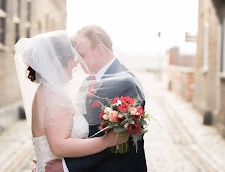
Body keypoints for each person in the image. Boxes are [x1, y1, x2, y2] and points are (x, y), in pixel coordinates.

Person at [14, 31, 128, 172]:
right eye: (72, 57)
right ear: (57, 61)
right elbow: (59, 146)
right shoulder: (54, 96)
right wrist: (106, 141)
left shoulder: (45, 90)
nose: (76, 62)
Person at [47, 25, 147, 172]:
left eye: (82, 54)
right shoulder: (88, 82)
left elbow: (115, 141)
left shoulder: (126, 83)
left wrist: (66, 166)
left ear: (100, 49)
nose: (78, 61)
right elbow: (86, 133)